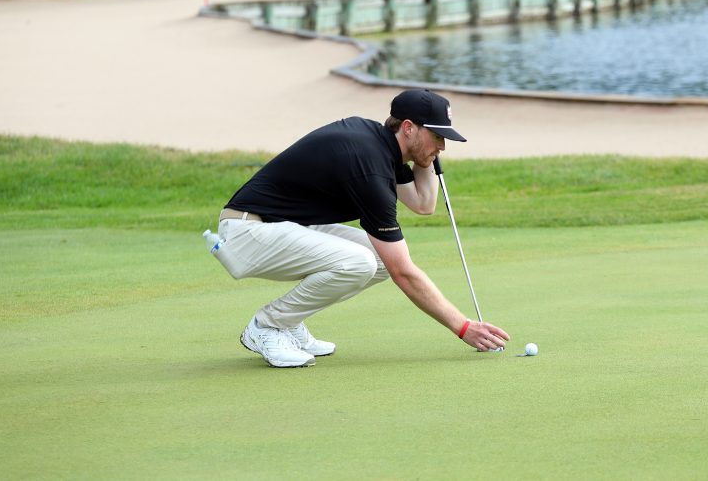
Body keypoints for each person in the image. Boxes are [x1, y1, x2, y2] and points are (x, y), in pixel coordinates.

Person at [212, 88, 510, 367]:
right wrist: (463, 327)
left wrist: (426, 156)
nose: (443, 146)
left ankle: (288, 320)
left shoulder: (380, 146)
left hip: (282, 227)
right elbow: (403, 273)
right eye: (437, 137)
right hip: (247, 232)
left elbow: (423, 203)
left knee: (376, 259)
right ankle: (268, 325)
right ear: (408, 128)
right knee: (361, 262)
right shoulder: (368, 165)